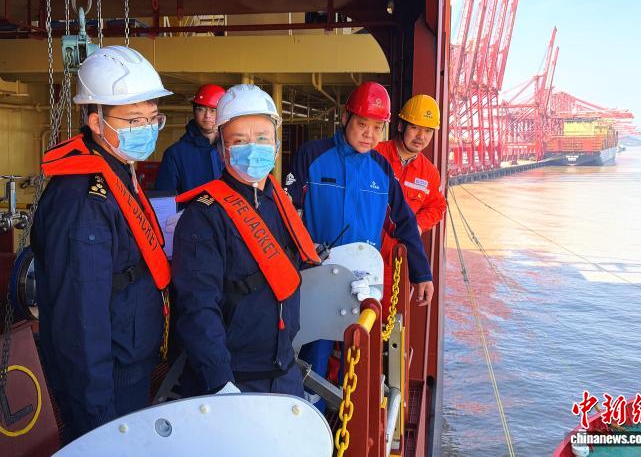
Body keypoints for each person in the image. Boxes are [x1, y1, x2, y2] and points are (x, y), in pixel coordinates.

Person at [31, 46, 172, 442]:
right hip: (106, 381)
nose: (147, 128)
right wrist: (96, 412)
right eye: (134, 120)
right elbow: (80, 315)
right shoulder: (83, 201)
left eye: (153, 118)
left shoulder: (116, 172)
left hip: (129, 361)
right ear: (96, 121)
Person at [285, 82, 434, 406]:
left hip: (362, 284)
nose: (369, 134)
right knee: (315, 352)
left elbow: (404, 223)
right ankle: (313, 415)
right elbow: (287, 211)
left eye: (377, 127)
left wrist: (422, 273)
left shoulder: (381, 169)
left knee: (357, 353)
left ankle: (345, 418)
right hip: (317, 276)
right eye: (362, 124)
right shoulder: (312, 156)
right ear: (345, 118)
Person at [172, 84, 320, 397]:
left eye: (262, 138)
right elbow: (198, 306)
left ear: (276, 145)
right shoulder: (204, 216)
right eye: (239, 141)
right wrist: (219, 380)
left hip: (283, 369)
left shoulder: (278, 202)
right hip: (234, 379)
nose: (253, 148)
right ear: (222, 149)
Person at [375, 94, 446, 317]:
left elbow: (437, 207)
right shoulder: (375, 155)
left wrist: (416, 225)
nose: (421, 137)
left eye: (428, 131)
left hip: (396, 262)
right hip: (364, 251)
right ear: (400, 125)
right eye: (415, 128)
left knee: (386, 323)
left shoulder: (429, 172)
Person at [155, 84, 226, 193]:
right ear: (194, 111)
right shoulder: (175, 154)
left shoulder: (234, 148)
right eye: (201, 109)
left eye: (213, 110)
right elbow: (164, 198)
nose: (207, 115)